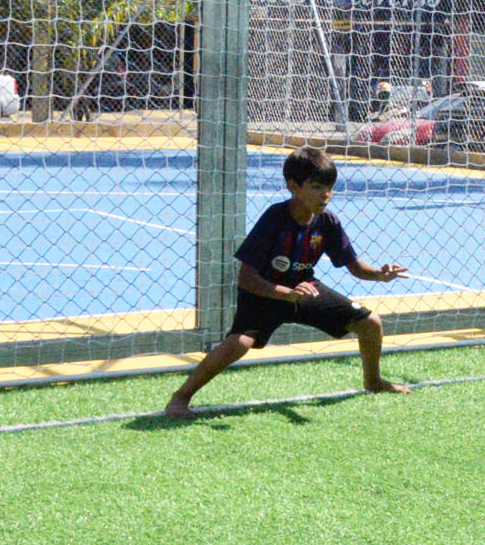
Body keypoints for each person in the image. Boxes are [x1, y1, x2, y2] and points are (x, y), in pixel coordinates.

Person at [165, 146, 414, 417]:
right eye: (317, 187)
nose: (326, 195)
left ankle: (374, 381)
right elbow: (246, 278)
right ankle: (180, 398)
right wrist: (284, 293)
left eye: (329, 187)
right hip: (265, 294)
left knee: (370, 322)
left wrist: (380, 274)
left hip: (305, 290)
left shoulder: (327, 221)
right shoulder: (275, 219)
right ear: (293, 186)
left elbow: (354, 266)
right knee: (240, 343)